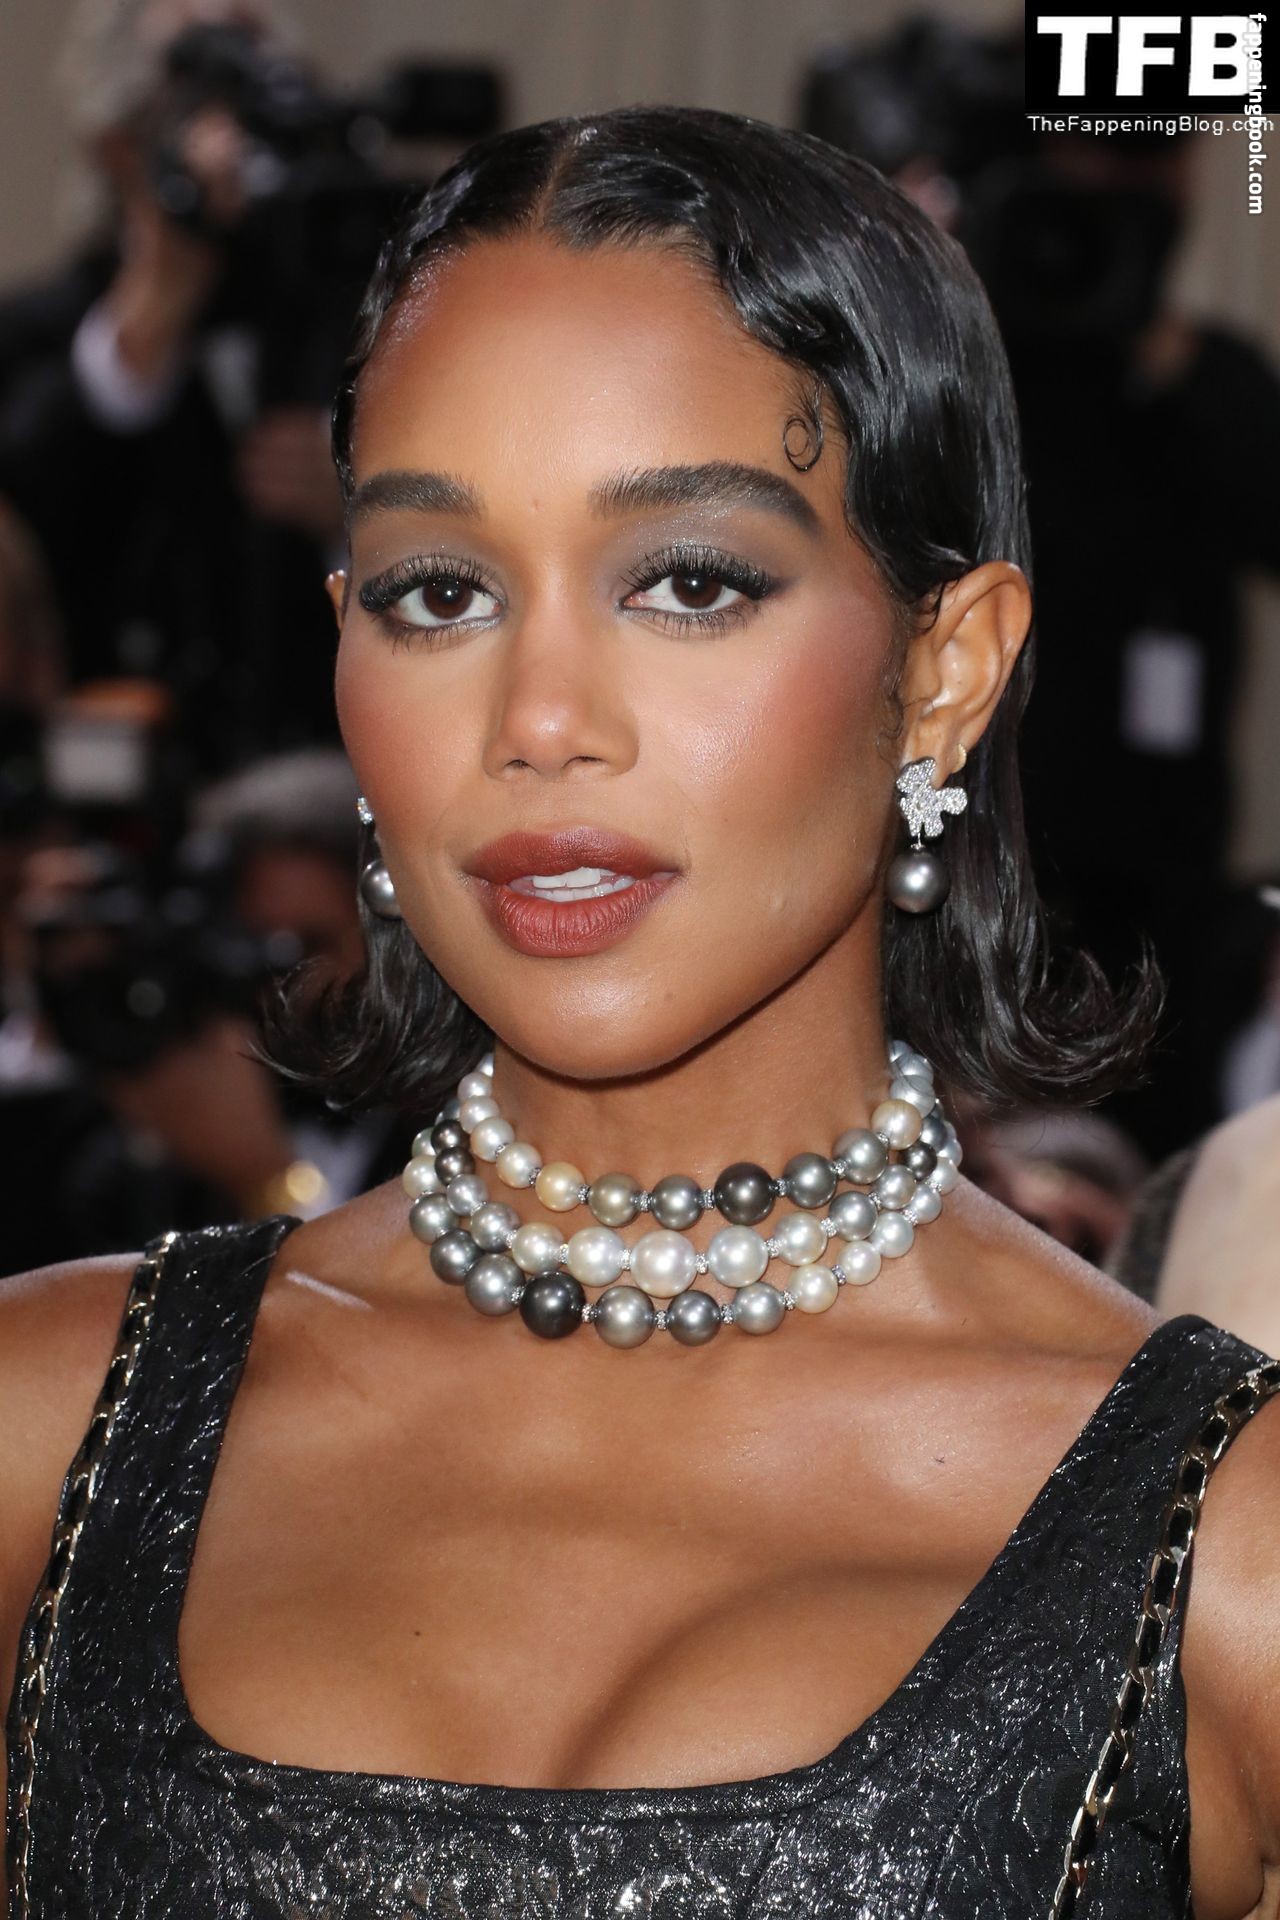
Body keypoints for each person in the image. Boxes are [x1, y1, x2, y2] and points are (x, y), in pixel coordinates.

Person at [3, 105, 1279, 1918]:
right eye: (438, 592)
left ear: (946, 669)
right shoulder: (45, 1431)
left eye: (689, 581)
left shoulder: (1228, 1553)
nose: (539, 720)